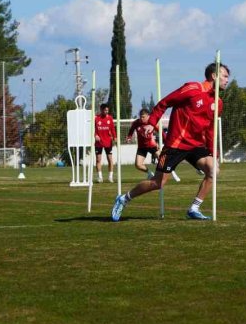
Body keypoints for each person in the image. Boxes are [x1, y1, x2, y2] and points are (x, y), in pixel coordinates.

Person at [112, 62, 229, 222]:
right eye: (224, 76)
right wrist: (152, 122)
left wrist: (213, 152)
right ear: (214, 76)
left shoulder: (218, 103)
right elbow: (165, 102)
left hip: (195, 145)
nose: (227, 80)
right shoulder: (193, 88)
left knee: (213, 170)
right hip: (176, 144)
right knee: (158, 183)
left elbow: (210, 130)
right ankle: (124, 199)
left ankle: (194, 209)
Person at [94, 103, 117, 183]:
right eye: (105, 110)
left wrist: (115, 137)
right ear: (101, 110)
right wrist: (95, 135)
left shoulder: (110, 118)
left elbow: (113, 129)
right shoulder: (96, 118)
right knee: (98, 159)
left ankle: (110, 177)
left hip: (108, 142)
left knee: (110, 159)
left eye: (107, 110)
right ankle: (100, 177)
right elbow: (93, 129)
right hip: (99, 143)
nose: (107, 112)